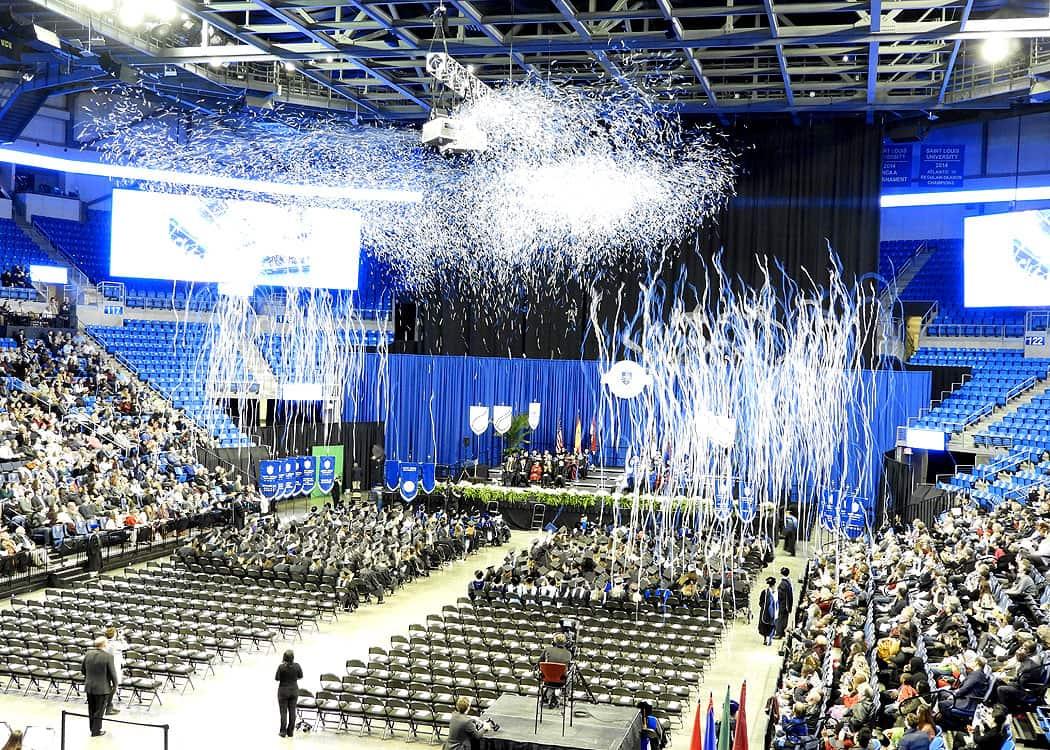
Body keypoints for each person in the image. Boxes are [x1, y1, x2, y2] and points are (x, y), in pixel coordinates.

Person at [81, 636, 117, 738]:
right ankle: (96, 731)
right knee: (99, 711)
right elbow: (113, 673)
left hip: (89, 686)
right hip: (103, 688)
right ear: (104, 644)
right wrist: (115, 685)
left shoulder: (88, 654)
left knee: (91, 709)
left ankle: (92, 728)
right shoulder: (108, 657)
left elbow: (82, 670)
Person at [539, 633, 572, 708]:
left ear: (553, 642)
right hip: (561, 681)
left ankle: (546, 695)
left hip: (546, 679)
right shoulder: (568, 654)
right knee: (571, 675)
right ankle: (565, 697)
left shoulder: (547, 649)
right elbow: (568, 668)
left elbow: (540, 662)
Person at [275, 649, 303, 737]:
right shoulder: (297, 666)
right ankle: (290, 731)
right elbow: (301, 676)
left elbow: (277, 678)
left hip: (283, 690)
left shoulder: (281, 667)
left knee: (283, 712)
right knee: (292, 711)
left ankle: (283, 731)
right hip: (294, 690)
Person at [104, 625, 125, 715]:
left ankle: (109, 706)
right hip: (115, 668)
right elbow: (126, 646)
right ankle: (108, 706)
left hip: (106, 667)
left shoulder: (105, 642)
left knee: (110, 687)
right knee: (114, 687)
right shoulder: (116, 644)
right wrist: (121, 637)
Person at [758, 576, 779, 646]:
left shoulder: (764, 592)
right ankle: (770, 639)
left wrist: (764, 607)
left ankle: (765, 639)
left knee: (765, 625)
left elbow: (760, 602)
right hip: (774, 612)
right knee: (772, 626)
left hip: (764, 612)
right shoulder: (777, 593)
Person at [776, 567, 794, 639]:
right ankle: (783, 633)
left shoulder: (782, 584)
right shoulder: (789, 582)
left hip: (783, 605)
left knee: (780, 619)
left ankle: (778, 633)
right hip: (788, 604)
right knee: (785, 619)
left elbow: (779, 596)